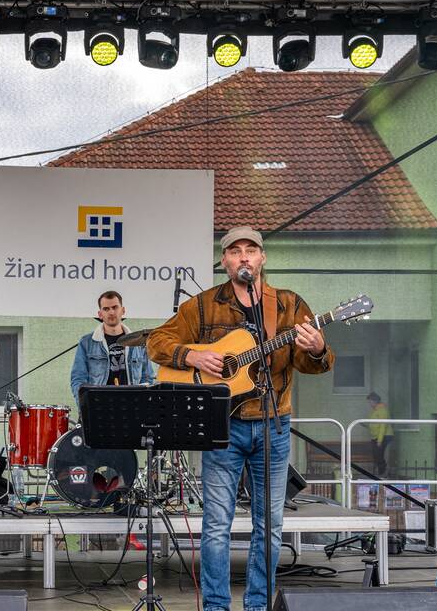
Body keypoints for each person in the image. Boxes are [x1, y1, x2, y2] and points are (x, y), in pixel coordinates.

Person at [146, 226, 334, 611]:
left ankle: (257, 605)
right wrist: (193, 357)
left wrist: (318, 348)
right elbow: (156, 342)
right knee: (217, 524)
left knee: (270, 525)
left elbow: (310, 363)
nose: (244, 257)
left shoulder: (288, 304)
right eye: (235, 251)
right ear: (225, 261)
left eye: (251, 250)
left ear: (262, 258)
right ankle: (216, 606)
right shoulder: (202, 305)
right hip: (224, 427)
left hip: (274, 425)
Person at [70, 290, 157, 405]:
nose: (111, 312)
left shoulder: (139, 342)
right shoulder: (87, 342)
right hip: (99, 406)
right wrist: (86, 406)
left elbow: (147, 379)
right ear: (100, 314)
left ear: (123, 310)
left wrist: (142, 403)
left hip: (131, 406)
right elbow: (78, 379)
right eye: (106, 309)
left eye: (115, 307)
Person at [367, 392, 392, 475]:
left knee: (379, 455)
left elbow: (382, 426)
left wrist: (379, 440)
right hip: (376, 437)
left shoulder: (382, 410)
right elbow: (374, 423)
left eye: (370, 401)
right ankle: (380, 472)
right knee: (376, 455)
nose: (369, 403)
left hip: (384, 436)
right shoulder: (375, 410)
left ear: (375, 401)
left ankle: (383, 473)